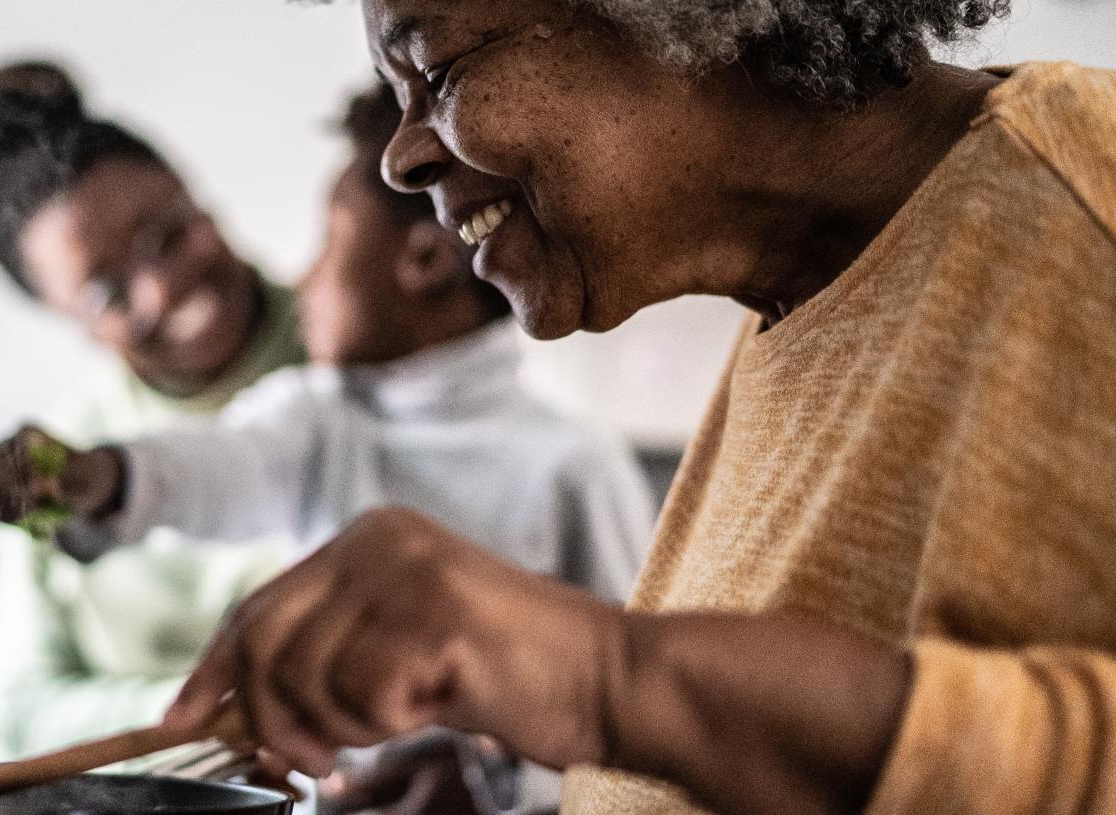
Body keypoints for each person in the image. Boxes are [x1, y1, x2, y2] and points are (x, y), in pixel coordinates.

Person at [160, 2, 1116, 815]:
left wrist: (604, 679)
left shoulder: (1084, 201)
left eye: (437, 70)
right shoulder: (808, 299)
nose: (402, 160)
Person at [0, 82, 657, 814]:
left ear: (423, 261)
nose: (304, 276)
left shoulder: (572, 464)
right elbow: (217, 465)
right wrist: (102, 475)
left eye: (328, 245)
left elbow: (639, 706)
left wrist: (504, 782)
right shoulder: (315, 415)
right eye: (109, 293)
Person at [0, 61, 304, 757]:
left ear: (196, 195)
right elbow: (17, 700)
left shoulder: (365, 344)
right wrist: (206, 714)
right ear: (71, 323)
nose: (161, 288)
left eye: (168, 234)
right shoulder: (59, 462)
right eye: (109, 293)